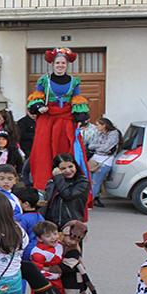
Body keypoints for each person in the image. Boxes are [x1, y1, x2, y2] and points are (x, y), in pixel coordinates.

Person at [27, 47, 90, 190]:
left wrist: (80, 117)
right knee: (43, 151)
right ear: (52, 64)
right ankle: (43, 185)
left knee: (66, 151)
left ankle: (68, 183)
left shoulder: (74, 81)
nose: (60, 66)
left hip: (66, 120)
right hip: (47, 120)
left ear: (67, 65)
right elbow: (37, 97)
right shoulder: (44, 80)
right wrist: (39, 107)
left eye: (63, 63)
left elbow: (76, 100)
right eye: (58, 63)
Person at [27, 221, 64, 294]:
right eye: (48, 236)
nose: (53, 238)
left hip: (57, 282)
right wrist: (53, 274)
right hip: (47, 284)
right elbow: (36, 272)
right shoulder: (38, 253)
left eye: (54, 233)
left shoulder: (58, 246)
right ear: (39, 238)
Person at [44, 154, 90, 228]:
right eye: (63, 168)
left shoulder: (82, 182)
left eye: (70, 166)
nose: (68, 170)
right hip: (52, 223)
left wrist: (58, 177)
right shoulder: (53, 181)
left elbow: (67, 195)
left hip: (71, 224)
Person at [87, 117, 120, 207]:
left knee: (96, 182)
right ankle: (91, 199)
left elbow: (106, 148)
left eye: (98, 125)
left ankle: (89, 202)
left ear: (104, 125)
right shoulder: (99, 133)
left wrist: (99, 147)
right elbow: (91, 146)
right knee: (90, 181)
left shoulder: (114, 134)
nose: (96, 127)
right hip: (95, 159)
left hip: (105, 161)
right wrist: (101, 147)